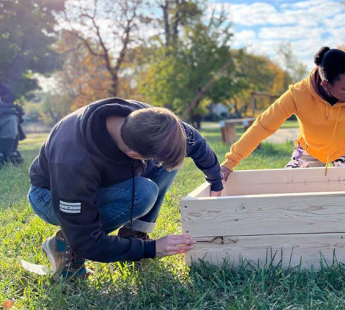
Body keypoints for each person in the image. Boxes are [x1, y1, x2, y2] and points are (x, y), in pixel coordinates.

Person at [28, 98, 223, 279]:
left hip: (97, 181)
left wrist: (216, 181)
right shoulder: (73, 161)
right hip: (49, 194)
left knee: (167, 163)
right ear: (133, 153)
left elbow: (193, 140)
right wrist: (152, 249)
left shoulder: (147, 119)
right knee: (142, 194)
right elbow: (88, 242)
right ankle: (64, 244)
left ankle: (134, 233)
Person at [220, 47, 345, 180]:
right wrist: (230, 163)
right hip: (309, 150)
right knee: (289, 190)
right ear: (326, 85)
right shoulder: (297, 95)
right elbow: (263, 126)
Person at [0, 80, 24, 166]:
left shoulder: (4, 88)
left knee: (11, 119)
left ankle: (7, 151)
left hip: (6, 115)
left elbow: (10, 97)